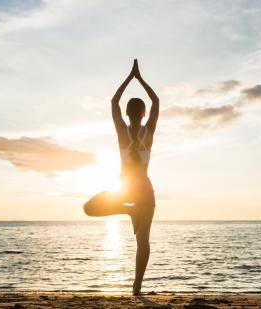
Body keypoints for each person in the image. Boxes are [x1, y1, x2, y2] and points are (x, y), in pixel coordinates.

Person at [83, 59, 159, 295]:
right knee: (143, 242)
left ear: (126, 114)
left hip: (125, 190)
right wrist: (140, 78)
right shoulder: (149, 131)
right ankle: (137, 287)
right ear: (144, 113)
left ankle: (127, 209)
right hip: (145, 190)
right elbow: (156, 101)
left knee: (89, 208)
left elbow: (114, 101)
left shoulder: (122, 132)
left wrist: (130, 77)